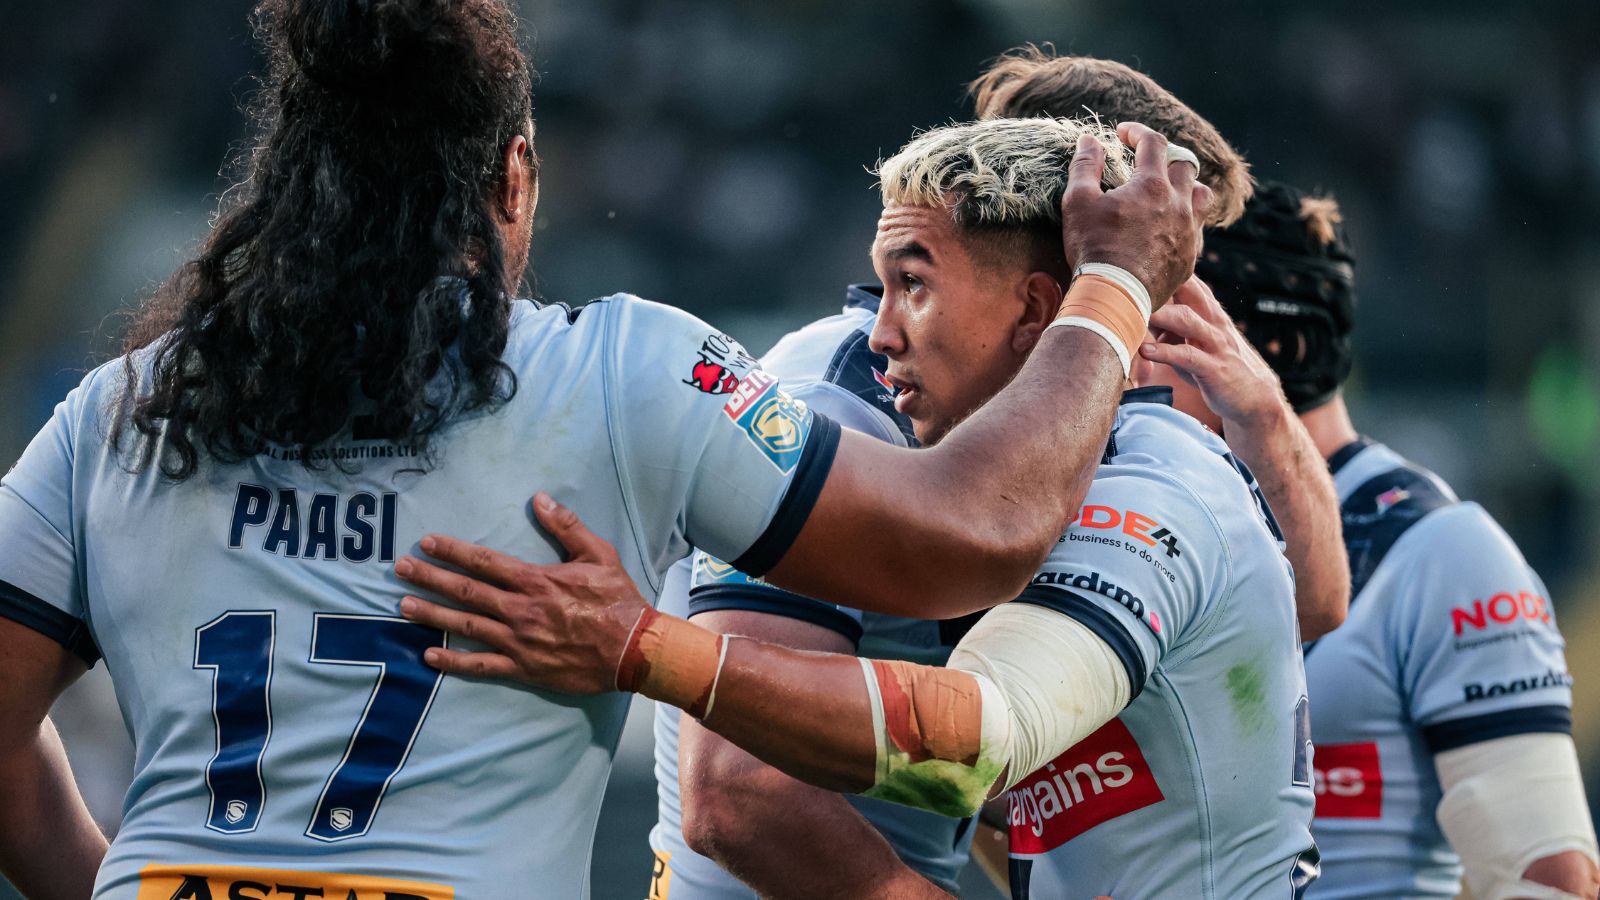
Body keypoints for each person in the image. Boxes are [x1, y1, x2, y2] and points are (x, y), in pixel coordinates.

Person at [0, 3, 1211, 899]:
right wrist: (1110, 284)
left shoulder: (116, 412)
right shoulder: (623, 376)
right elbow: (970, 533)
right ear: (514, 176)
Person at [398, 116, 1318, 899]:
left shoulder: (1151, 489)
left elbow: (978, 742)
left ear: (1039, 310)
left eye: (912, 286)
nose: (879, 333)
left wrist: (640, 647)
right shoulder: (877, 420)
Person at [642, 48, 1351, 900]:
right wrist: (635, 648)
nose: (1167, 291)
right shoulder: (839, 402)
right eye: (1154, 247)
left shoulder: (1093, 438)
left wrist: (1264, 412)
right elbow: (738, 795)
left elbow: (1309, 606)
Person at [1189, 181, 1599, 899]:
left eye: (1162, 330)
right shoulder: (1146, 530)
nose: (1127, 366)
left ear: (1273, 348)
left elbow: (1549, 878)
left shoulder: (1443, 553)